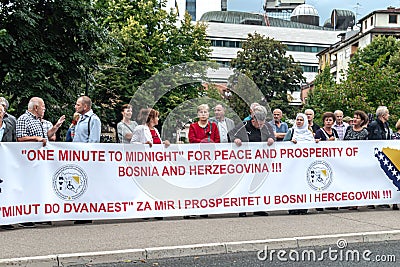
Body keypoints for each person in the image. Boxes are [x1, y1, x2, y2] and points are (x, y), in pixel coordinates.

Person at [16, 97, 65, 227]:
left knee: (39, 187)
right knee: (28, 187)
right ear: (36, 108)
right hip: (28, 162)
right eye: (43, 106)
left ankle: (38, 215)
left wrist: (56, 127)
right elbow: (20, 138)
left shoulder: (39, 121)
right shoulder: (23, 119)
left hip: (40, 161)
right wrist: (36, 138)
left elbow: (47, 136)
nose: (45, 109)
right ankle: (24, 217)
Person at [229, 105, 275, 217]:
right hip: (245, 162)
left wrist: (271, 139)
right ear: (253, 120)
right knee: (244, 184)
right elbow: (231, 134)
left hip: (261, 162)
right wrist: (235, 139)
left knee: (258, 184)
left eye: (262, 123)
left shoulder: (267, 126)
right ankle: (242, 209)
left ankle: (258, 208)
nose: (261, 126)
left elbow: (272, 136)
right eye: (258, 123)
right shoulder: (244, 125)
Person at [72, 96, 100, 224]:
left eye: (78, 105)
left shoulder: (93, 120)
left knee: (86, 185)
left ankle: (86, 214)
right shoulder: (79, 119)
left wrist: (87, 157)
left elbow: (93, 141)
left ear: (85, 107)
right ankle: (79, 212)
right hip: (77, 157)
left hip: (85, 158)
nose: (75, 107)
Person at [284, 113, 316, 215]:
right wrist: (289, 142)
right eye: (297, 120)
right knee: (293, 185)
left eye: (301, 120)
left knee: (304, 186)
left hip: (305, 165)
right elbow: (282, 145)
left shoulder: (309, 133)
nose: (299, 122)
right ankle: (293, 208)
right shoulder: (291, 131)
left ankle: (303, 208)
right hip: (293, 165)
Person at [367, 106, 392, 209]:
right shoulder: (373, 125)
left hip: (384, 155)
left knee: (383, 177)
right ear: (383, 115)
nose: (389, 115)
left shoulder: (386, 125)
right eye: (388, 113)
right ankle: (371, 201)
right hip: (375, 155)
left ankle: (383, 200)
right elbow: (372, 139)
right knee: (373, 178)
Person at [0, 104, 16, 230]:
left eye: (1, 111)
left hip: (5, 161)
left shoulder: (9, 125)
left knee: (4, 189)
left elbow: (14, 141)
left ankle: (5, 219)